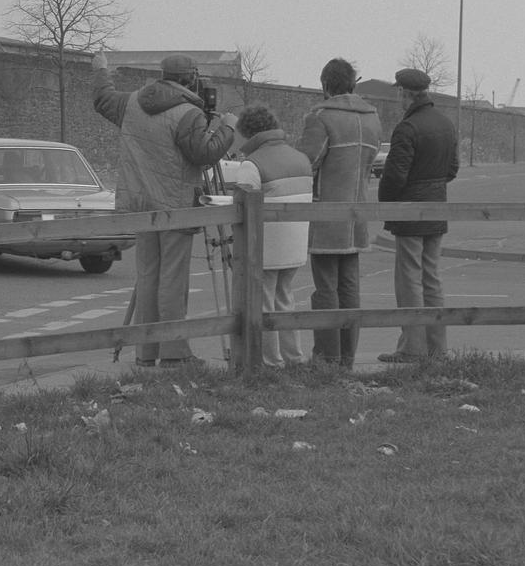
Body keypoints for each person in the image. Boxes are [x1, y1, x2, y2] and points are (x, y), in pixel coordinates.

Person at [92, 52, 238, 367]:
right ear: (191, 78)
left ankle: (146, 352)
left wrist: (101, 69)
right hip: (176, 206)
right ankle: (175, 353)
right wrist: (227, 128)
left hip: (142, 206)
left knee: (147, 279)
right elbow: (204, 153)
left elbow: (102, 99)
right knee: (173, 281)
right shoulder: (188, 113)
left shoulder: (131, 103)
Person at [296, 58, 382, 366]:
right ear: (353, 83)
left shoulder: (321, 117)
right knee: (349, 287)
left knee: (325, 289)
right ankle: (347, 358)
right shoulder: (373, 118)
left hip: (326, 213)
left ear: (325, 85)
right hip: (357, 211)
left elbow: (306, 162)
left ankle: (326, 357)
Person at [377, 68, 459, 363]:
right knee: (432, 277)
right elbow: (452, 169)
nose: (397, 96)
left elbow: (395, 175)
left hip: (410, 209)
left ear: (405, 93)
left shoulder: (407, 128)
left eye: (398, 91)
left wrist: (386, 204)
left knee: (409, 278)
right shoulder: (446, 124)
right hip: (437, 206)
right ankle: (437, 348)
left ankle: (413, 347)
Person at [232, 105, 312, 367]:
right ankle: (294, 358)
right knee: (285, 298)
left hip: (265, 246)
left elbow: (242, 207)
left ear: (247, 133)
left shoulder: (252, 164)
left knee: (263, 301)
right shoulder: (301, 158)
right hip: (295, 244)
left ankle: (269, 361)